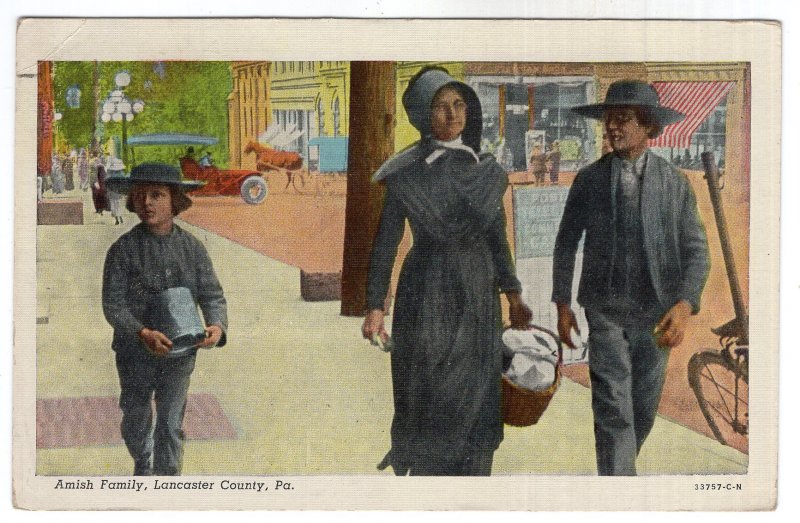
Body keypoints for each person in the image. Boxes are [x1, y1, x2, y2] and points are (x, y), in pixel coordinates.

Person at [361, 67, 532, 476]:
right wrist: (375, 306)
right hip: (427, 290)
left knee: (477, 389)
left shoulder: (488, 171)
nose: (453, 115)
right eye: (441, 106)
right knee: (430, 386)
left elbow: (497, 238)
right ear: (424, 115)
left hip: (478, 290)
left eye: (459, 105)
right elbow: (386, 242)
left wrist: (513, 295)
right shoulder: (404, 173)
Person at [552, 80, 710, 476]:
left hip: (656, 314)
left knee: (641, 409)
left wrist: (684, 303)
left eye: (622, 120)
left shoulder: (675, 184)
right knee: (612, 408)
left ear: (649, 127)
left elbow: (697, 251)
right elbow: (565, 244)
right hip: (605, 310)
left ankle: (618, 475)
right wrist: (561, 305)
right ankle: (620, 495)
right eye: (608, 121)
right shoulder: (588, 180)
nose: (612, 129)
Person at [102, 162, 228, 476]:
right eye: (140, 195)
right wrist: (142, 332)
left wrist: (217, 325)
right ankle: (143, 463)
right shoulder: (123, 250)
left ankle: (167, 484)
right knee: (136, 419)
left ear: (175, 200)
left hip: (182, 351)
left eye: (156, 195)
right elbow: (113, 305)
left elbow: (212, 294)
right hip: (135, 352)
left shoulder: (193, 249)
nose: (147, 203)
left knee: (171, 423)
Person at [105, 158, 127, 225]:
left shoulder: (110, 174)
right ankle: (120, 217)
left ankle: (116, 219)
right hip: (119, 191)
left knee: (113, 205)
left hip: (112, 192)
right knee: (119, 204)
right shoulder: (122, 174)